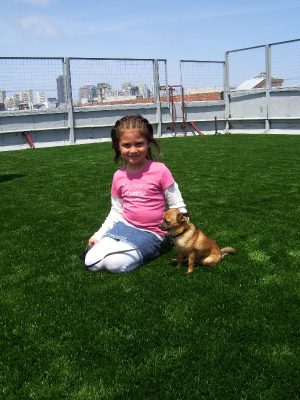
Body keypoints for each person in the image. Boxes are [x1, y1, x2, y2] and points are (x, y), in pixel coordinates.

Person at [84, 114, 187, 273]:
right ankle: (119, 245)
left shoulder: (160, 170)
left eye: (139, 144)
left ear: (148, 144)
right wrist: (98, 235)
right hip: (124, 226)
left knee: (114, 264)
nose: (133, 150)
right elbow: (116, 211)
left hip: (153, 233)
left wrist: (183, 236)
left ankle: (152, 249)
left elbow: (177, 206)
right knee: (91, 261)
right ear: (118, 146)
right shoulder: (118, 176)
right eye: (126, 145)